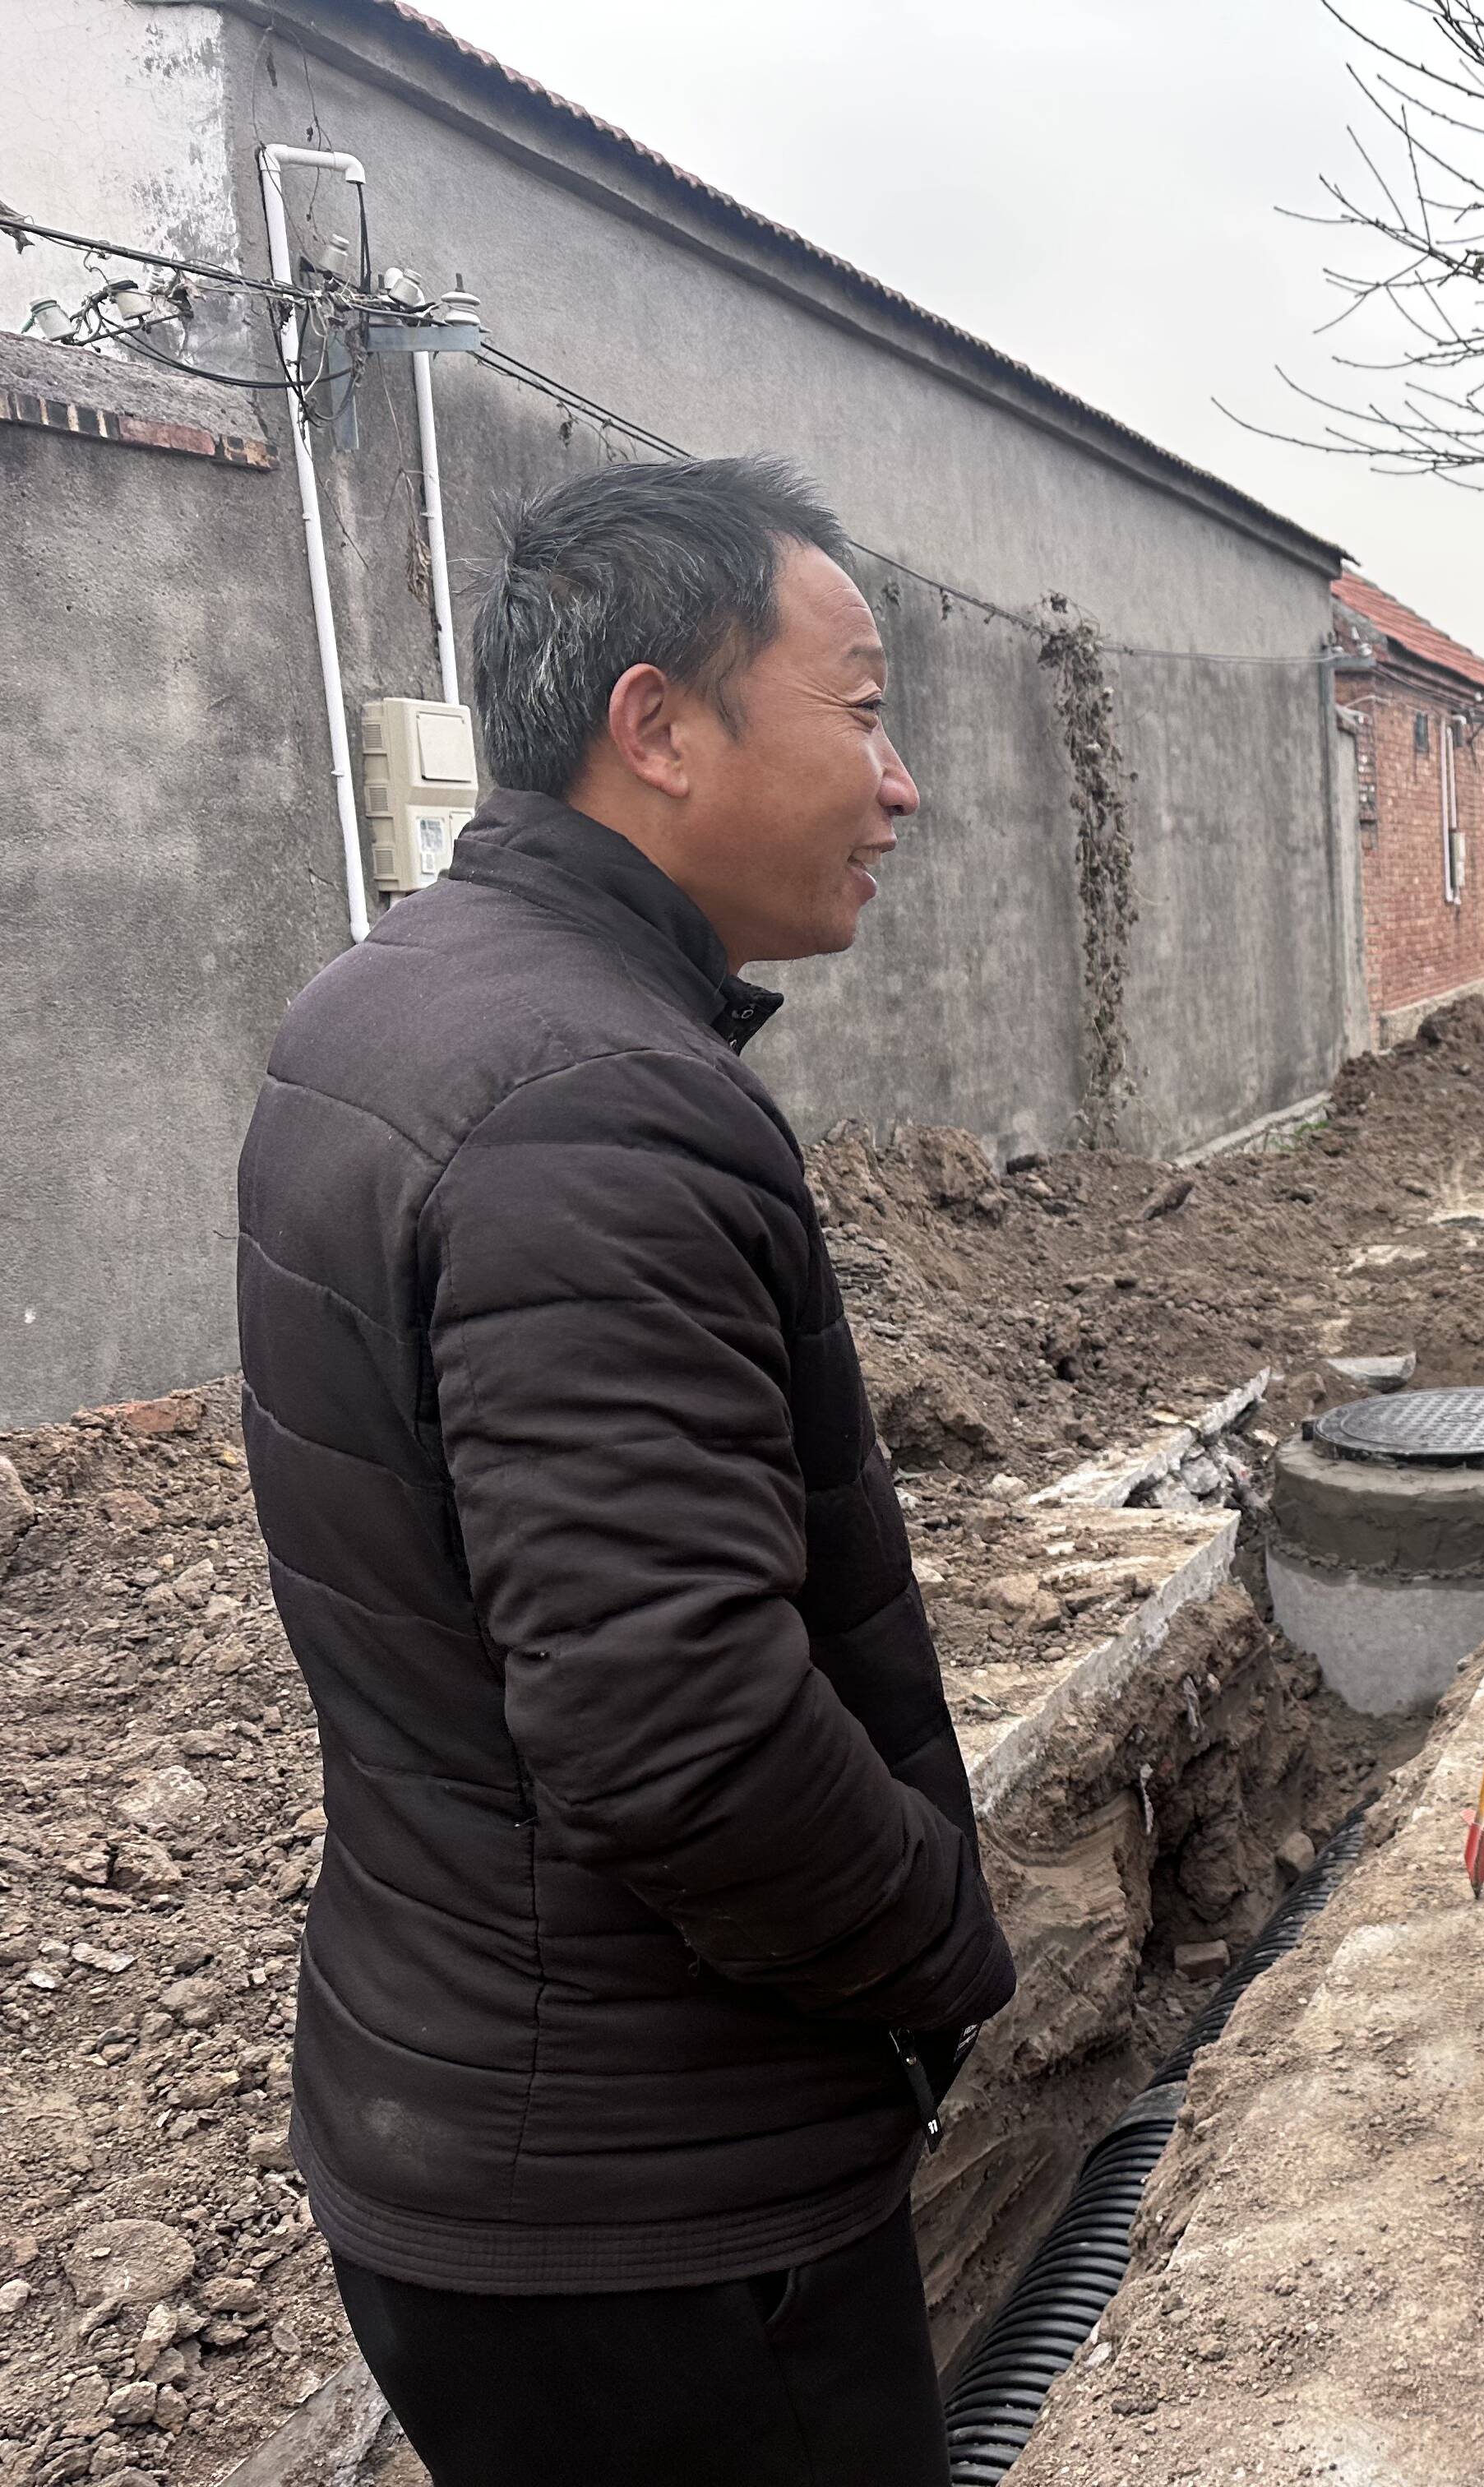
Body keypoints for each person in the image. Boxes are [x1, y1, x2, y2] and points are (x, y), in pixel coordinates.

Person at [236, 456, 1013, 2487]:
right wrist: (941, 1944)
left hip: (470, 2106)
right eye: (862, 712)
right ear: (656, 725)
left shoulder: (393, 1002)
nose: (902, 784)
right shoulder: (596, 1108)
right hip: (658, 2198)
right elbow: (679, 1729)